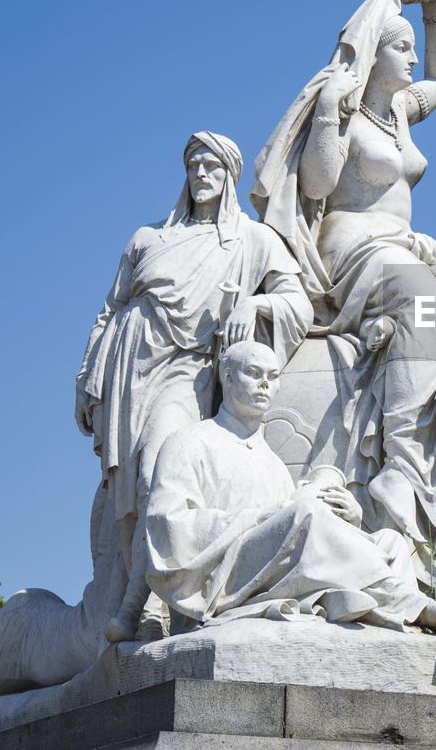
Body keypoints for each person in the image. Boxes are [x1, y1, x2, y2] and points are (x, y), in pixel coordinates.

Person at [253, 0, 436, 551]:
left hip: (403, 246)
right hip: (351, 247)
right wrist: (326, 119)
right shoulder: (344, 109)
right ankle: (403, 457)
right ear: (374, 53)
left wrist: (435, 13)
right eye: (402, 46)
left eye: (413, 46)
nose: (413, 57)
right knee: (421, 296)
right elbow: (315, 183)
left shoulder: (401, 112)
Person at [76, 132, 313, 642]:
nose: (201, 175)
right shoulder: (148, 238)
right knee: (129, 490)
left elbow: (299, 302)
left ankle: (152, 604)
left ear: (230, 175)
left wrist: (256, 305)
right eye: (194, 166)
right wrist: (86, 380)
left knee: (155, 472)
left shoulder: (252, 240)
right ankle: (132, 598)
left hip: (189, 371)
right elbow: (109, 310)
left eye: (212, 167)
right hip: (128, 367)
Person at [145, 341, 436, 636]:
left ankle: (395, 617)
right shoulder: (189, 442)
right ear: (228, 377)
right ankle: (412, 606)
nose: (265, 383)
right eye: (254, 372)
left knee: (390, 541)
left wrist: (349, 520)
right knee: (304, 512)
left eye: (273, 377)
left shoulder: (272, 463)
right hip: (222, 577)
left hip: (274, 569)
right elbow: (168, 528)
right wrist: (267, 515)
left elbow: (301, 540)